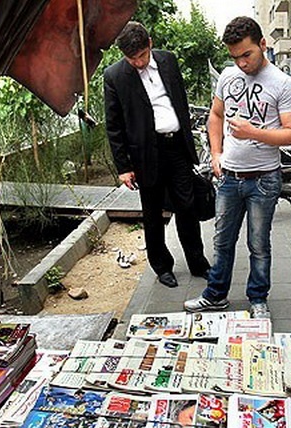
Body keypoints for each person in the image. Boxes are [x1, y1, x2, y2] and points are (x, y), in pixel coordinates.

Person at [184, 16, 291, 319]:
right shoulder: (228, 76)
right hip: (229, 178)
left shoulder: (282, 83)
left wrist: (253, 133)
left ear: (262, 44)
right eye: (234, 57)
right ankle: (215, 295)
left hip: (264, 180)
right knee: (222, 241)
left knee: (258, 245)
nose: (241, 63)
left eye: (246, 55)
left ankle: (258, 298)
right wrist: (216, 153)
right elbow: (215, 116)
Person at [103, 22, 211, 288]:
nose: (138, 63)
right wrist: (123, 167)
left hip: (176, 148)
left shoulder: (168, 60)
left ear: (149, 43)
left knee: (187, 207)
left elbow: (181, 100)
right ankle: (162, 267)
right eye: (132, 59)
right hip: (144, 156)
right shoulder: (114, 76)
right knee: (152, 213)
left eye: (141, 55)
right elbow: (113, 124)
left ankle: (198, 262)